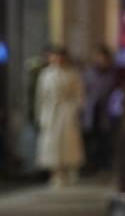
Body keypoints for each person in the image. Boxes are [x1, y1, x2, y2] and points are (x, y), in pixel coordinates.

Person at [34, 47, 86, 187]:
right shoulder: (45, 75)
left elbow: (79, 94)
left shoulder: (72, 73)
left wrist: (75, 108)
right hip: (51, 111)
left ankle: (71, 169)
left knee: (69, 140)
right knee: (51, 142)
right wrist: (40, 114)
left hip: (67, 110)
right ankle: (55, 173)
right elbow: (40, 97)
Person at [82, 46, 118, 174]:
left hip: (107, 111)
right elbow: (84, 91)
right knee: (91, 141)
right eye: (99, 57)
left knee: (106, 140)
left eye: (104, 58)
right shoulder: (89, 73)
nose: (101, 60)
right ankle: (91, 166)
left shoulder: (113, 74)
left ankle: (105, 166)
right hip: (91, 110)